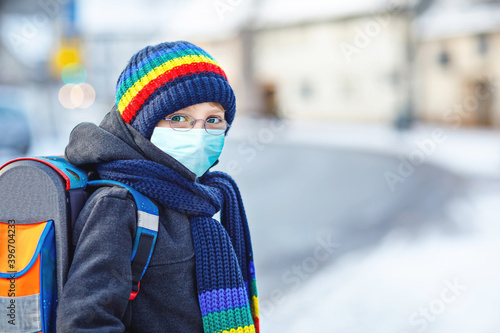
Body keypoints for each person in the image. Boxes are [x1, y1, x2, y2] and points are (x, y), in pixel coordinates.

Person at [57, 40, 259, 333]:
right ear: (143, 126)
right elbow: (85, 322)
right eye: (179, 118)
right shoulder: (119, 204)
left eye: (213, 119)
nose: (200, 133)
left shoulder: (197, 193)